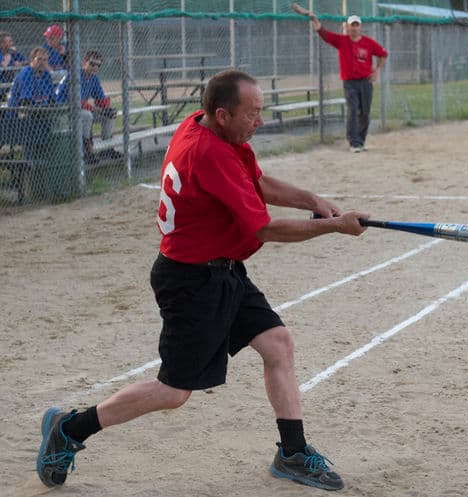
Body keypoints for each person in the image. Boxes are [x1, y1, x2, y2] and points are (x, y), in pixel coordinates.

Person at [36, 69, 369, 492]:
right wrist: (336, 226)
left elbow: (256, 182)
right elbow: (263, 229)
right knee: (173, 392)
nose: (260, 122)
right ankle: (70, 429)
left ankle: (293, 452)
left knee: (277, 344)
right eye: (252, 114)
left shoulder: (207, 128)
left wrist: (314, 201)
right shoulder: (209, 153)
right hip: (190, 281)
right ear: (222, 114)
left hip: (223, 268)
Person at [308, 13, 388, 153]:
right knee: (353, 110)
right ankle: (354, 142)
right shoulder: (342, 41)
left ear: (360, 27)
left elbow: (383, 54)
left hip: (365, 82)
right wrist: (315, 20)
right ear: (348, 27)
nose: (355, 28)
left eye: (357, 25)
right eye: (352, 25)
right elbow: (324, 34)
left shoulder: (368, 43)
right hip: (350, 83)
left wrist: (377, 70)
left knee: (365, 113)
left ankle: (361, 141)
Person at [56, 49, 119, 163]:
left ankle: (107, 149)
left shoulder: (94, 78)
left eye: (98, 65)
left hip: (79, 110)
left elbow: (100, 100)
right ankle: (85, 150)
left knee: (109, 116)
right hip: (63, 110)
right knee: (87, 115)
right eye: (92, 64)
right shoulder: (75, 75)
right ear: (84, 62)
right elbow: (77, 103)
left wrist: (107, 108)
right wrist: (100, 109)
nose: (95, 67)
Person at [0, 31, 27, 100]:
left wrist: (20, 64)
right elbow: (4, 65)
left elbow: (27, 62)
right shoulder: (7, 53)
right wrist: (9, 55)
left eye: (11, 41)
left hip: (12, 85)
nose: (11, 43)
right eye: (9, 42)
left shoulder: (14, 53)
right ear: (1, 44)